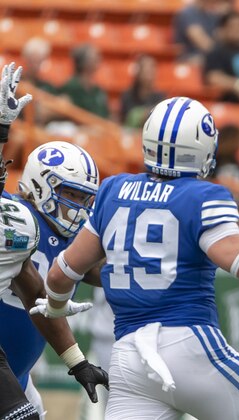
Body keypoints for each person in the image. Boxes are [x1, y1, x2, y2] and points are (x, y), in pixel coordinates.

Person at [34, 96, 239, 419]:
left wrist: (56, 305)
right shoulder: (202, 196)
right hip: (188, 343)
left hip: (128, 359)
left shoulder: (113, 190)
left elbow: (59, 275)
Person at [0, 62, 108, 420]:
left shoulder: (77, 238)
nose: (79, 208)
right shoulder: (14, 216)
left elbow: (37, 291)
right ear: (40, 183)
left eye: (84, 199)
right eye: (72, 196)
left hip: (15, 374)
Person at [58, 44, 110, 119]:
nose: (99, 60)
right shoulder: (70, 87)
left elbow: (106, 115)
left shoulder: (98, 90)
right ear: (83, 61)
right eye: (94, 57)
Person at [119, 54, 165, 128]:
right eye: (146, 69)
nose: (150, 73)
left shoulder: (160, 98)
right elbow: (126, 120)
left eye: (152, 69)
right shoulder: (127, 95)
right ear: (138, 72)